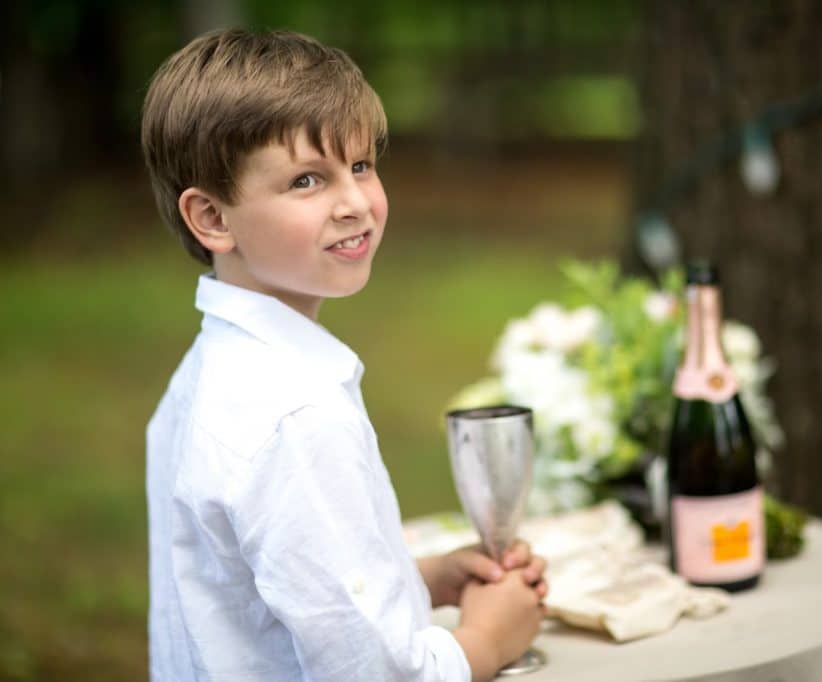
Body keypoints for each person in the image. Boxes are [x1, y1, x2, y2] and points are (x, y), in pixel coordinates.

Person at [141, 29, 546, 682]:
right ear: (214, 218)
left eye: (360, 166)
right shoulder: (294, 419)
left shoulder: (211, 375)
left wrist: (422, 581)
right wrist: (487, 639)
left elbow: (253, 599)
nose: (356, 203)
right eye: (308, 180)